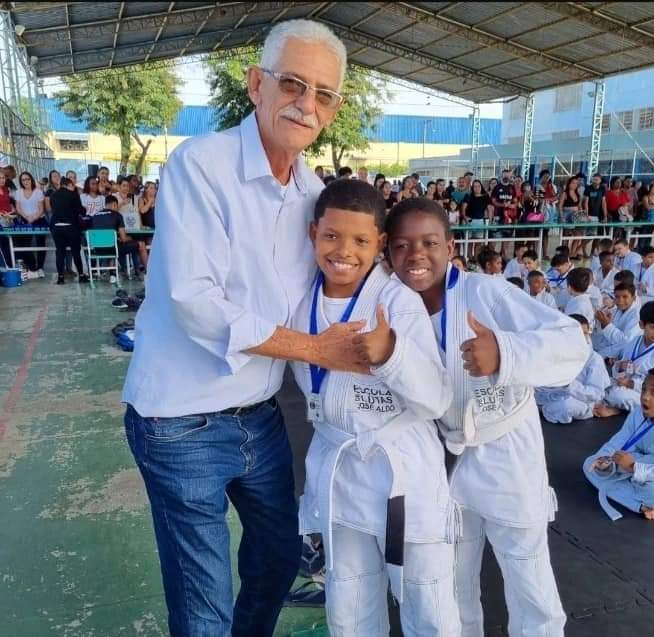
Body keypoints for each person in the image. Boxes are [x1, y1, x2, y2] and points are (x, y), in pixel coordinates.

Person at [122, 20, 382, 637]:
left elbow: (339, 279)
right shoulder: (202, 166)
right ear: (256, 84)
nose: (306, 104)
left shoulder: (313, 194)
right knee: (204, 606)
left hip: (258, 416)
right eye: (292, 84)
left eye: (323, 94)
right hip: (180, 420)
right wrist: (316, 350)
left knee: (278, 559)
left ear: (334, 109)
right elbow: (194, 301)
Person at [385, 197, 588, 637]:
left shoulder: (485, 292)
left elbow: (572, 341)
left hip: (505, 451)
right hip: (442, 458)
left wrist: (505, 352)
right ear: (388, 254)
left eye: (429, 243)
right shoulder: (394, 307)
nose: (416, 254)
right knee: (452, 579)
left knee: (527, 574)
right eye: (401, 245)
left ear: (450, 246)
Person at [291, 181, 459, 636]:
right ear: (313, 234)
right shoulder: (301, 297)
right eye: (331, 236)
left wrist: (391, 354)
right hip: (341, 472)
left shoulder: (395, 301)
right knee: (349, 604)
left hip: (402, 473)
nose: (344, 251)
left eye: (361, 240)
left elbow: (436, 398)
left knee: (428, 606)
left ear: (379, 243)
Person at [583, 367, 654, 521]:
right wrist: (604, 459)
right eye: (644, 389)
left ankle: (638, 496)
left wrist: (634, 468)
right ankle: (639, 504)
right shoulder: (638, 413)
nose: (645, 397)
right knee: (590, 464)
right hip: (641, 464)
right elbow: (620, 441)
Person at [594, 302, 654, 417]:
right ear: (641, 325)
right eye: (653, 327)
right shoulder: (635, 341)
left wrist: (632, 384)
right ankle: (616, 406)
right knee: (599, 383)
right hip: (625, 385)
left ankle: (618, 409)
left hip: (652, 394)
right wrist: (620, 367)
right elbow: (619, 368)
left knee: (617, 395)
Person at [536, 314, 610, 423]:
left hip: (578, 400)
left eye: (585, 333)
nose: (582, 338)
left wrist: (569, 384)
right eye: (577, 334)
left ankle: (588, 411)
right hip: (551, 396)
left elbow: (596, 394)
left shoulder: (594, 359)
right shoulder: (557, 352)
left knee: (566, 406)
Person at [48, 176, 88, 284]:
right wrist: (84, 209)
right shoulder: (73, 194)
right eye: (72, 185)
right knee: (76, 252)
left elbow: (53, 210)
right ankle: (81, 275)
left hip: (56, 227)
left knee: (60, 252)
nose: (73, 187)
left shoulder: (53, 195)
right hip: (71, 227)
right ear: (68, 185)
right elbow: (80, 211)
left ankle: (60, 278)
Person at [90, 195, 142, 278]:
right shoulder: (117, 215)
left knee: (117, 243)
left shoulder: (95, 216)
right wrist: (131, 238)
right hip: (113, 249)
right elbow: (124, 238)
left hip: (97, 249)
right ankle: (140, 271)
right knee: (138, 244)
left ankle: (114, 272)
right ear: (114, 204)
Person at [592, 283, 642, 359]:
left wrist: (606, 324)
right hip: (608, 349)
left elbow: (626, 342)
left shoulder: (637, 315)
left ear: (634, 298)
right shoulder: (616, 310)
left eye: (625, 297)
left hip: (624, 355)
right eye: (617, 297)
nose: (620, 300)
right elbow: (607, 335)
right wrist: (602, 323)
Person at [13, 170, 47, 279]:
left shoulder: (38, 192)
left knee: (41, 244)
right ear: (21, 181)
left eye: (27, 179)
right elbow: (18, 208)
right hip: (24, 220)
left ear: (31, 180)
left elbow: (41, 209)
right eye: (23, 180)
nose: (26, 181)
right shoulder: (18, 192)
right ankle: (32, 267)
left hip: (39, 219)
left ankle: (40, 267)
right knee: (24, 244)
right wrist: (26, 217)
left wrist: (33, 218)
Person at [461, 179, 492, 261]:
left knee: (478, 242)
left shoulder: (486, 197)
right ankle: (470, 259)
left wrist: (489, 221)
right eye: (475, 186)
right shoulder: (468, 196)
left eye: (478, 186)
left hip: (480, 222)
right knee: (469, 242)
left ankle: (476, 259)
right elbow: (463, 209)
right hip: (469, 221)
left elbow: (490, 209)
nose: (477, 188)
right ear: (472, 188)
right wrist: (465, 218)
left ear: (481, 187)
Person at [0, 170, 17, 266]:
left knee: (11, 244)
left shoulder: (6, 189)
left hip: (9, 219)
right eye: (0, 178)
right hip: (1, 220)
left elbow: (10, 204)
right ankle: (8, 266)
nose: (2, 180)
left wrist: (13, 210)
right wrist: (3, 215)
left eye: (3, 178)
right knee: (4, 245)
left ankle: (12, 265)